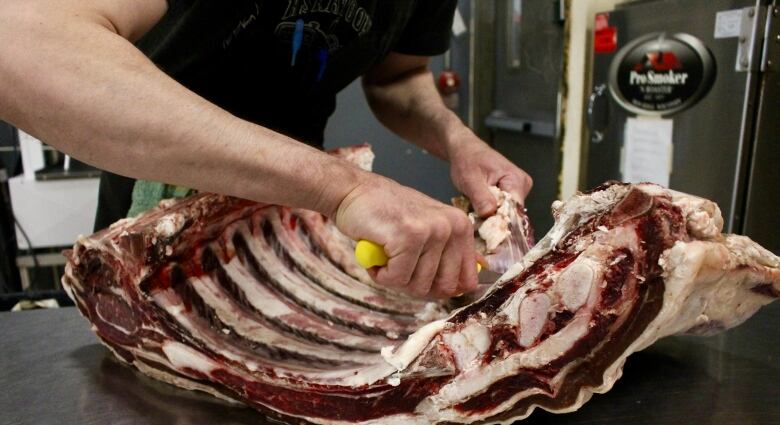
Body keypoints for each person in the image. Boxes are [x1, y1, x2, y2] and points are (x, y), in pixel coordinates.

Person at [0, 0, 532, 298]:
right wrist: (345, 188)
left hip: (302, 222)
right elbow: (21, 39)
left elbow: (399, 76)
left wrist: (457, 140)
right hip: (158, 213)